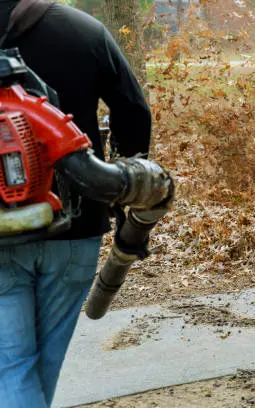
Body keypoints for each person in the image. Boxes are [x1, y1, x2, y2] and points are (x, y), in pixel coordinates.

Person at [0, 0, 151, 406]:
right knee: (39, 367)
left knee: (11, 368)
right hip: (78, 225)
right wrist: (124, 201)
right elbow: (135, 113)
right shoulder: (81, 29)